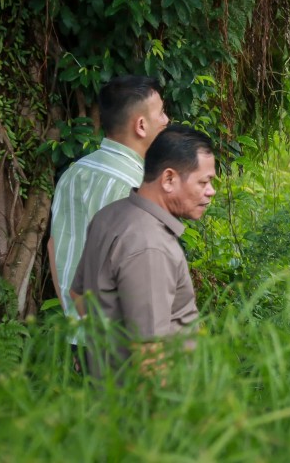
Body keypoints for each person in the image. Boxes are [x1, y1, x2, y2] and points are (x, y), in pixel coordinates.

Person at [70, 125, 216, 377]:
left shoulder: (111, 215)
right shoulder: (150, 245)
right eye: (204, 181)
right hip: (148, 403)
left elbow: (77, 294)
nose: (211, 191)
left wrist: (110, 346)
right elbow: (149, 353)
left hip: (110, 391)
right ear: (168, 179)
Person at [49, 76, 168, 364]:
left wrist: (75, 321)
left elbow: (55, 248)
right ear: (140, 125)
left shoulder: (73, 174)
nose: (167, 120)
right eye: (161, 112)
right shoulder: (139, 188)